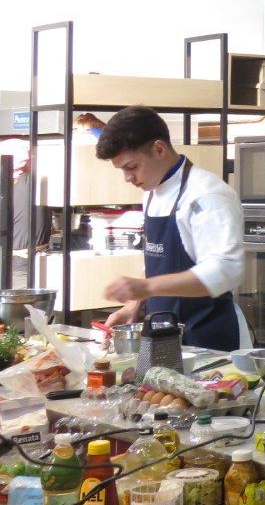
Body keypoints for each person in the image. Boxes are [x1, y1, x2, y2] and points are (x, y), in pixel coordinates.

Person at [97, 106, 249, 351]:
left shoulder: (206, 194)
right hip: (165, 333)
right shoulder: (152, 192)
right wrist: (135, 304)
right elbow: (162, 266)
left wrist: (146, 287)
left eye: (132, 167)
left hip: (208, 338)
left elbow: (227, 269)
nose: (128, 178)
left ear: (159, 149)